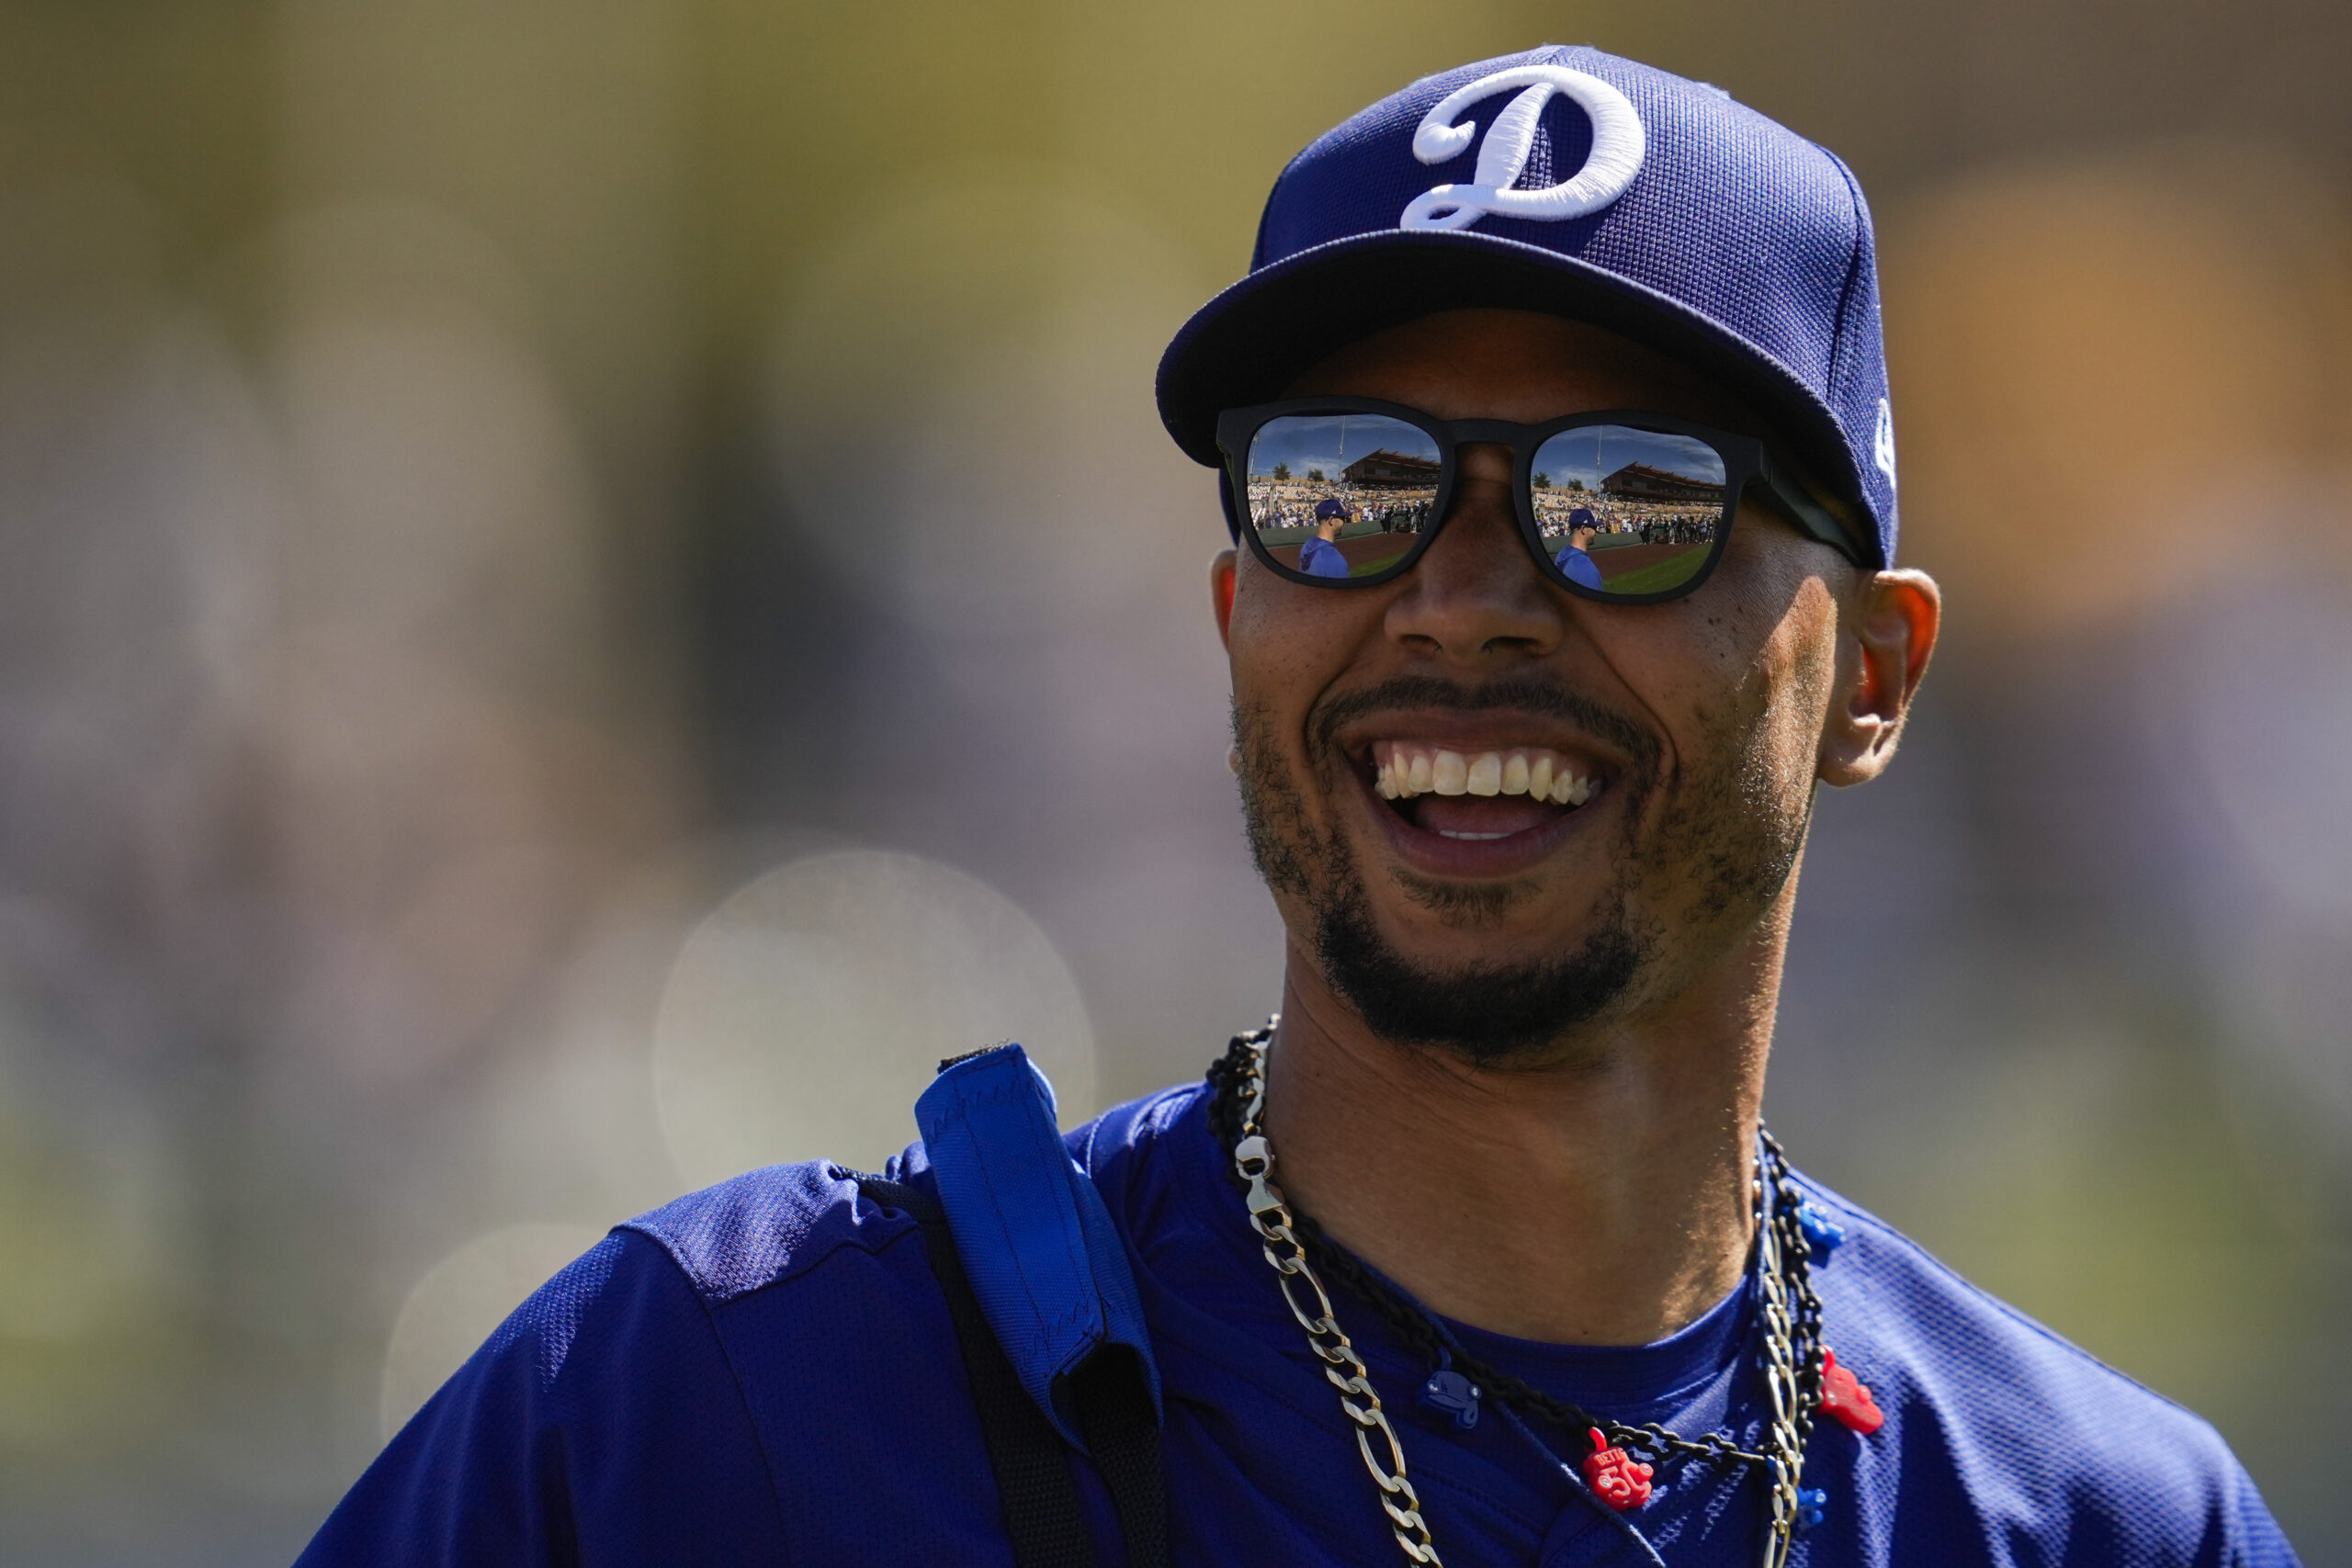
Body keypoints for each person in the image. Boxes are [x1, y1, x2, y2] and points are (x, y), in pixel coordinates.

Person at [295, 44, 2301, 1567]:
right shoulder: (721, 1406)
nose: (1457, 598)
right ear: (1236, 607)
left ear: (1866, 675)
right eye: (1347, 485)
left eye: (1627, 502)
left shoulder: (2083, 1515)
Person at [1299, 495, 1353, 578]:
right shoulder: (1336, 560)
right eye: (1342, 518)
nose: (1344, 522)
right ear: (1331, 520)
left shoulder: (1307, 545)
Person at [1552, 505, 1604, 589]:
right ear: (1583, 529)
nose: (1595, 532)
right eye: (1593, 527)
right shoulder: (1587, 570)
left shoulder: (1563, 553)